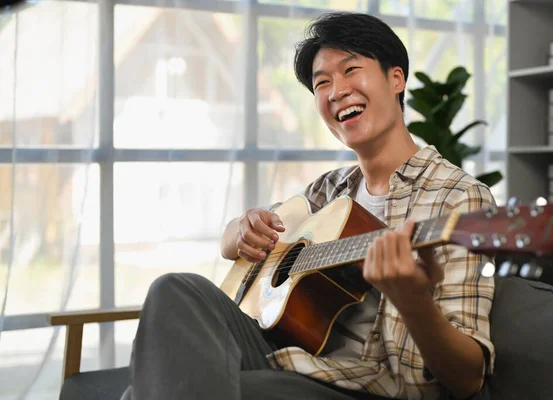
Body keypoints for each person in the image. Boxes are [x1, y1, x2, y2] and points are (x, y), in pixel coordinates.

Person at [123, 12, 496, 400]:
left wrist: (413, 300)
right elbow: (234, 244)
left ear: (396, 79)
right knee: (175, 288)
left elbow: (468, 378)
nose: (337, 91)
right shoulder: (330, 189)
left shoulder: (459, 198)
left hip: (364, 386)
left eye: (351, 69)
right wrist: (243, 228)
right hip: (285, 356)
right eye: (323, 83)